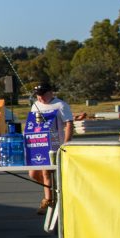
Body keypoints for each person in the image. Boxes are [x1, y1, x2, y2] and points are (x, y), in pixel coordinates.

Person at [27, 82, 73, 214]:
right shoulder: (35, 106)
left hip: (56, 145)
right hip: (40, 144)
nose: (40, 98)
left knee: (47, 173)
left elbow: (69, 125)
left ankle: (48, 200)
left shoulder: (60, 105)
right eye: (38, 95)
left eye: (42, 95)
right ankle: (53, 192)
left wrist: (66, 143)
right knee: (33, 174)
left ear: (50, 92)